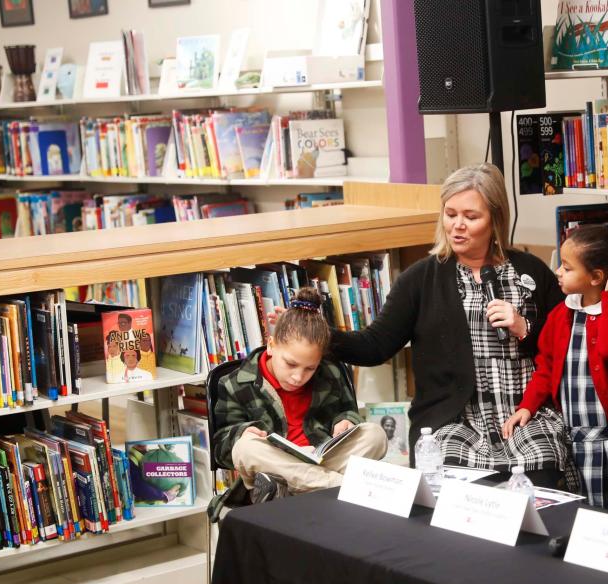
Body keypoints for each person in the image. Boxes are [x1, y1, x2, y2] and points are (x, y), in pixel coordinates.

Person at [329, 163, 577, 489]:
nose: (457, 226)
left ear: (495, 219)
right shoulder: (420, 279)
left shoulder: (530, 271)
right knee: (460, 495)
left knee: (540, 479)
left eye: (471, 217)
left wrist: (524, 327)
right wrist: (321, 337)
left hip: (525, 414)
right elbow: (376, 344)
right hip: (454, 421)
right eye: (450, 214)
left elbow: (570, 341)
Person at [504, 224, 608, 513]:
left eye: (566, 267)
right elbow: (546, 367)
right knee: (582, 513)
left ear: (597, 277)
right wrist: (528, 405)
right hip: (574, 439)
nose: (558, 272)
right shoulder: (561, 314)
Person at [212, 287, 387, 503]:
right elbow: (220, 447)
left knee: (375, 434)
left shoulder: (330, 372)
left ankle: (309, 486)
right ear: (271, 345)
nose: (298, 377)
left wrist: (346, 422)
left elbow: (348, 412)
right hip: (276, 468)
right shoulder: (233, 384)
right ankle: (338, 486)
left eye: (309, 369)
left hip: (322, 460)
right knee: (246, 448)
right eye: (291, 364)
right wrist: (242, 433)